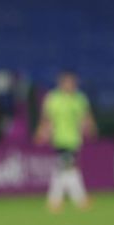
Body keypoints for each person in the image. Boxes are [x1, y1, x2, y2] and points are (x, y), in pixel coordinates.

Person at [33, 70, 98, 213]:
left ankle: (55, 201)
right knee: (69, 168)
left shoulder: (80, 98)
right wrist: (42, 132)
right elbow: (46, 118)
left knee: (63, 170)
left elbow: (85, 116)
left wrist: (90, 128)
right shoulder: (53, 98)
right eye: (68, 82)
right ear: (61, 84)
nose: (71, 85)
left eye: (73, 83)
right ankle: (79, 199)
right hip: (60, 139)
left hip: (75, 139)